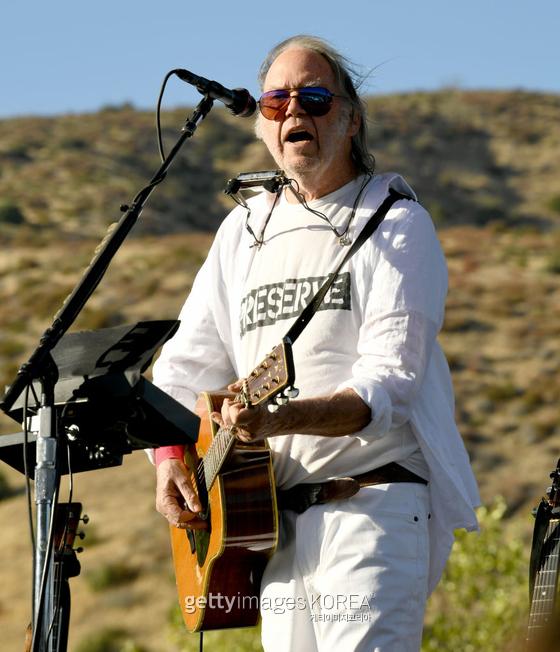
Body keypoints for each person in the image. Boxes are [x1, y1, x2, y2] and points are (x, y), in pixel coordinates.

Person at [150, 34, 480, 652]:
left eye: (316, 97)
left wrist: (279, 418)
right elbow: (182, 369)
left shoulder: (395, 222)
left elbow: (390, 386)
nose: (293, 111)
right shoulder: (243, 230)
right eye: (276, 101)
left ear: (352, 119)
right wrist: (171, 464)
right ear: (261, 129)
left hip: (371, 509)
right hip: (270, 527)